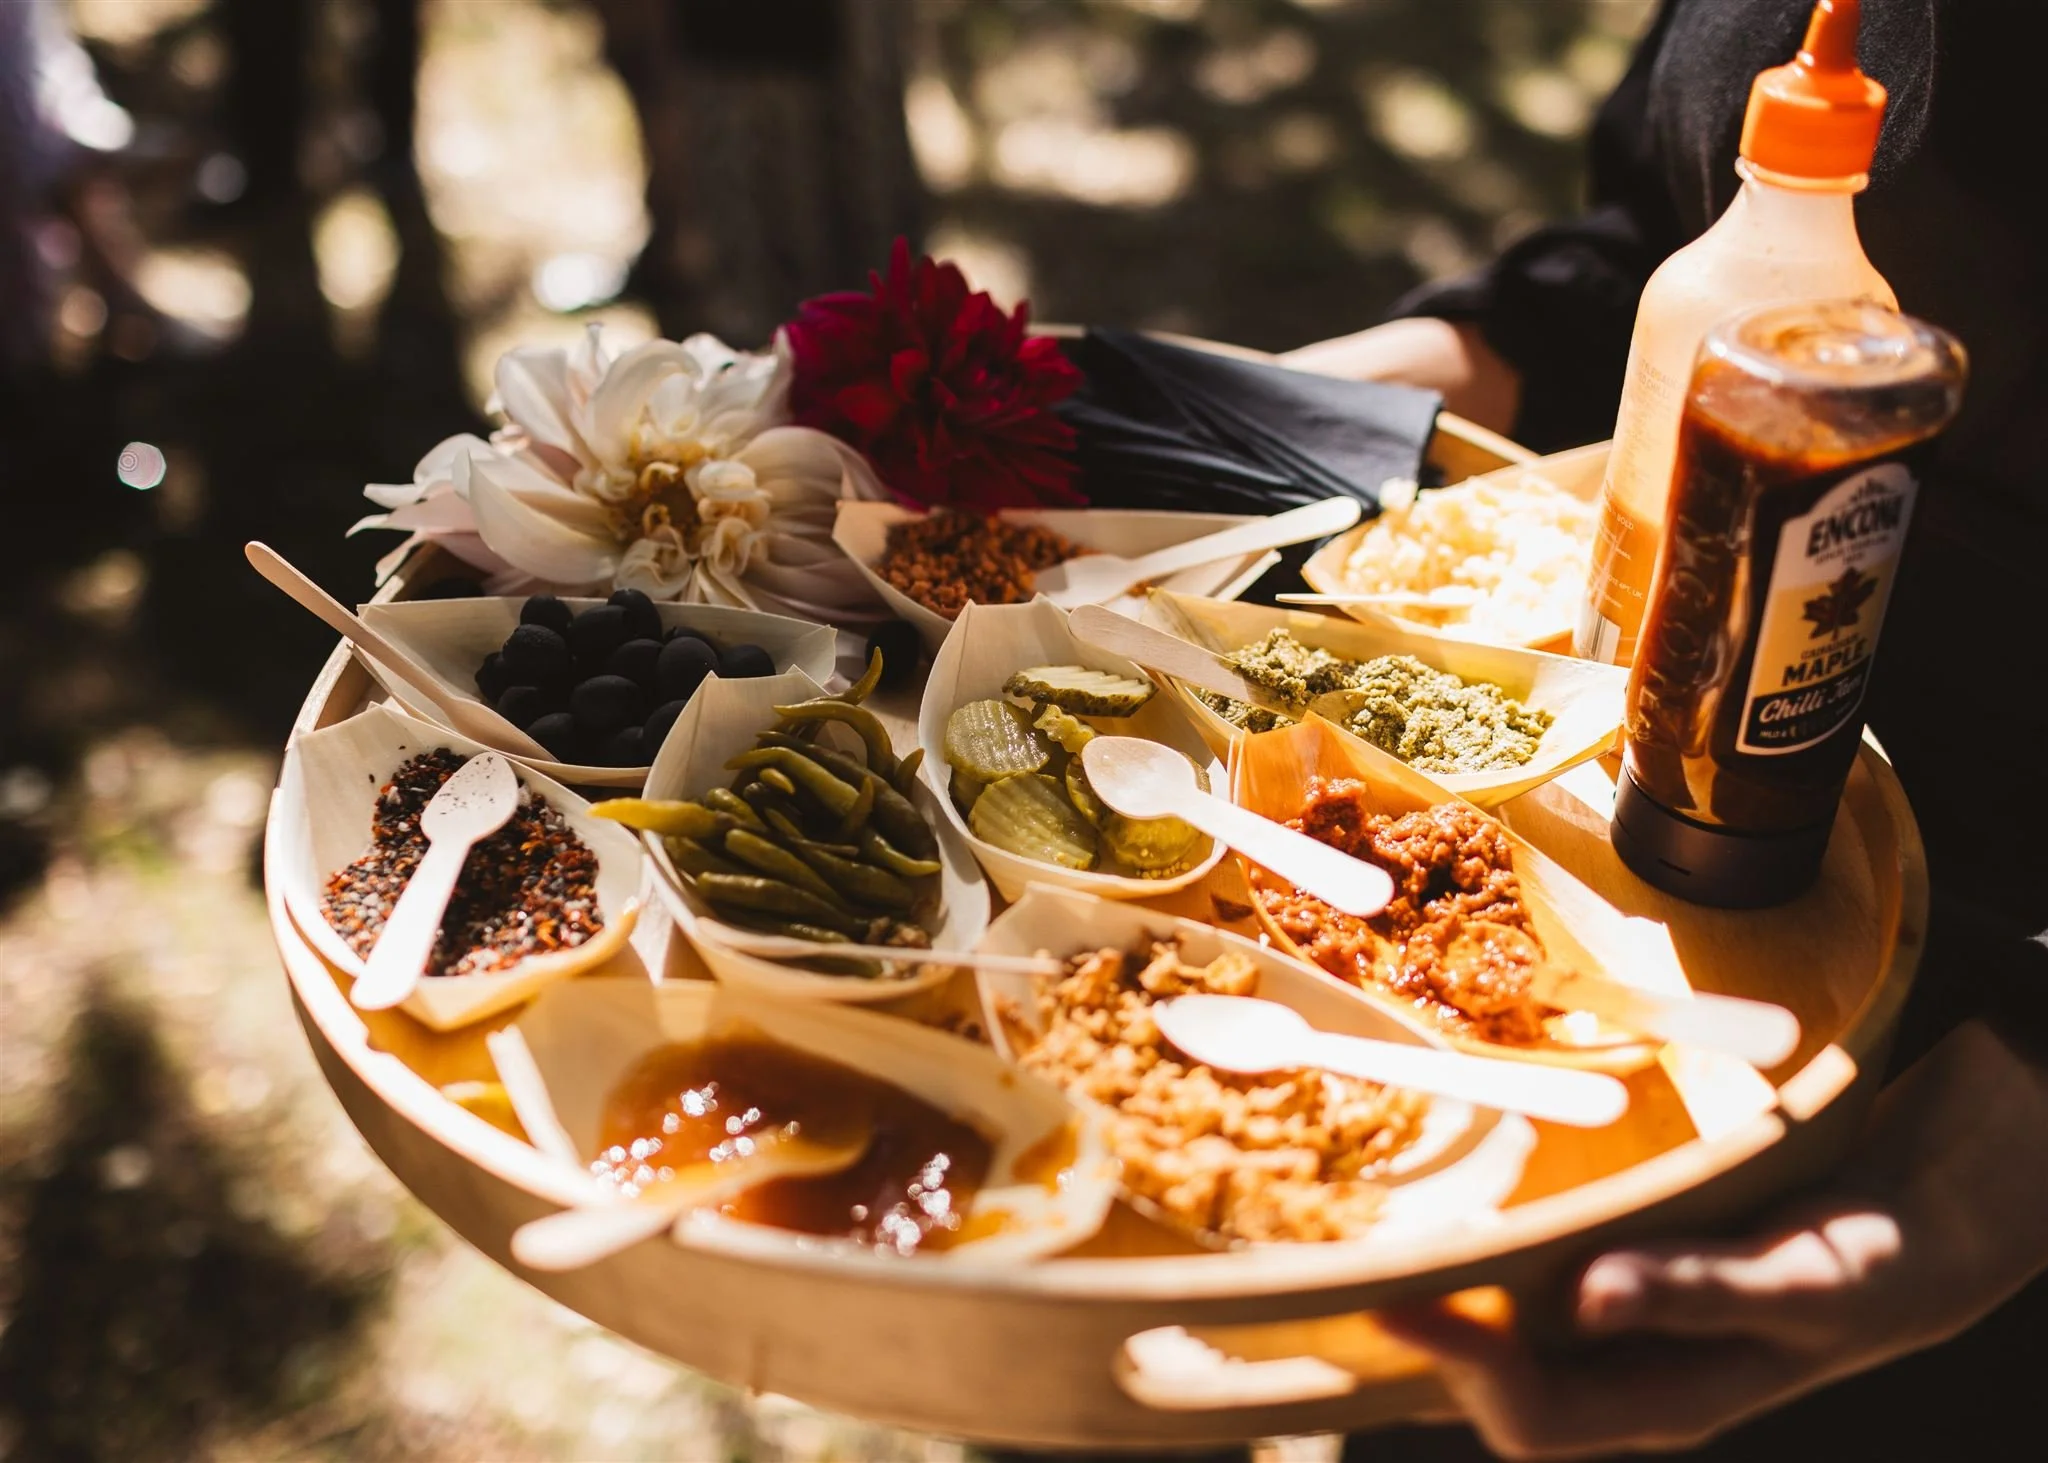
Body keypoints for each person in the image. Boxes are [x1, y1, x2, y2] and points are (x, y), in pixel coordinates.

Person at [1286, 1, 2048, 1456]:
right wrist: (1265, 407)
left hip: (1950, 1108)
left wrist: (2014, 1154)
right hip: (1591, 871)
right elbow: (1661, 247)